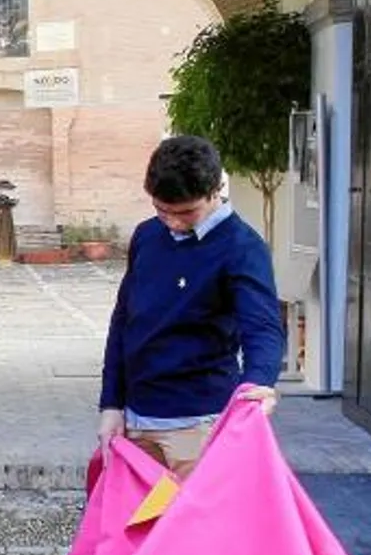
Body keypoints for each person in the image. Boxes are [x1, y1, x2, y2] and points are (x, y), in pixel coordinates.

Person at [97, 136, 285, 478]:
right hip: (135, 422)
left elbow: (262, 327)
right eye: (161, 210)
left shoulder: (241, 247)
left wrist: (260, 382)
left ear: (215, 191)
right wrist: (111, 403)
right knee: (138, 530)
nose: (172, 222)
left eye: (185, 212)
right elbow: (124, 321)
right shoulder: (146, 236)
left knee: (202, 532)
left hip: (200, 428)